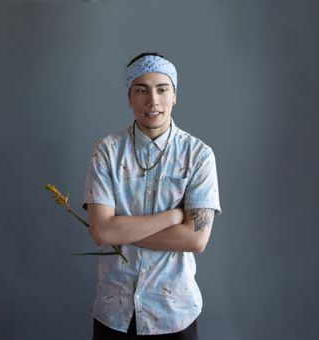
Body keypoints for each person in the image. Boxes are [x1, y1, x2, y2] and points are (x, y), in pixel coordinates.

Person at [82, 53, 221, 339]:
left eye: (162, 88)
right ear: (129, 98)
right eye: (141, 90)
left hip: (174, 312)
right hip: (114, 311)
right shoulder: (106, 152)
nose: (152, 100)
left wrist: (117, 230)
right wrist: (173, 216)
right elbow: (102, 232)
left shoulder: (198, 155)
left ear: (175, 96)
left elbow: (195, 239)